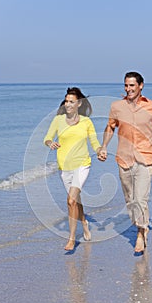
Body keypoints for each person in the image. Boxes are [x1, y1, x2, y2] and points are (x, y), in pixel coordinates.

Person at [98, 72, 152, 253]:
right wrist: (104, 146)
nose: (128, 89)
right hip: (124, 158)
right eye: (126, 85)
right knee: (130, 200)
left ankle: (141, 232)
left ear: (141, 86)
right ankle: (142, 224)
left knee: (141, 198)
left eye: (132, 85)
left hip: (146, 157)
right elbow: (110, 127)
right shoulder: (117, 106)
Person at [44, 87, 101, 251]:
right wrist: (50, 143)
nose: (68, 104)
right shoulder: (58, 120)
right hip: (64, 167)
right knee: (75, 200)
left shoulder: (86, 122)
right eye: (66, 101)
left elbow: (94, 142)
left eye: (71, 102)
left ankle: (71, 239)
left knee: (70, 201)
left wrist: (99, 151)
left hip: (82, 165)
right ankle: (84, 223)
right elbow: (47, 138)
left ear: (79, 103)